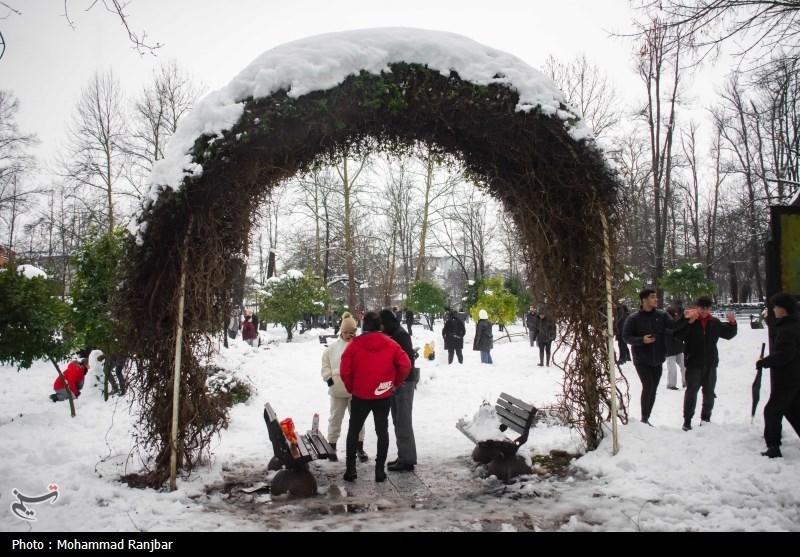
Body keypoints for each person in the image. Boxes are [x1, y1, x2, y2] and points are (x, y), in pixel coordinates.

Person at [340, 311, 411, 482]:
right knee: (382, 432)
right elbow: (405, 364)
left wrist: (352, 388)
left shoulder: (354, 345)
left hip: (360, 395)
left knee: (353, 431)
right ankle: (379, 470)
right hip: (382, 394)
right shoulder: (391, 344)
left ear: (364, 325)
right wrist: (394, 383)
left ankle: (351, 469)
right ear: (379, 325)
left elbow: (345, 370)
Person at [622, 287, 687, 425]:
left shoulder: (662, 315)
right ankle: (644, 418)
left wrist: (685, 317)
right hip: (641, 359)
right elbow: (626, 337)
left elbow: (674, 326)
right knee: (648, 386)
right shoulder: (633, 318)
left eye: (656, 297)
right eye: (653, 297)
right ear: (644, 300)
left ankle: (647, 417)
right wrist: (641, 340)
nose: (656, 299)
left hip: (658, 358)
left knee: (653, 388)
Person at [676, 296, 737, 431]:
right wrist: (687, 323)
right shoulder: (691, 321)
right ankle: (687, 420)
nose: (704, 311)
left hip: (710, 363)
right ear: (697, 307)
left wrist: (732, 323)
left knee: (709, 392)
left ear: (710, 309)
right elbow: (678, 336)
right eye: (702, 308)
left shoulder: (714, 322)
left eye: (707, 309)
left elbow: (727, 334)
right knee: (692, 392)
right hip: (693, 363)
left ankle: (706, 418)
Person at [756, 292, 800, 458]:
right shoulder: (794, 323)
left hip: (786, 378)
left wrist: (765, 362)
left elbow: (785, 354)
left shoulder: (788, 330)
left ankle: (773, 446)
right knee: (793, 410)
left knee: (772, 411)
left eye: (775, 307)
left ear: (783, 309)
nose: (773, 309)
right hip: (796, 376)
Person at [320, 311, 367, 463]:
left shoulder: (360, 346)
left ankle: (359, 447)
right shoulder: (332, 348)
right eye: (346, 332)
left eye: (351, 332)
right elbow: (325, 364)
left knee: (358, 420)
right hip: (337, 390)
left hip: (355, 390)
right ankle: (331, 446)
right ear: (341, 331)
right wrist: (329, 380)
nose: (348, 335)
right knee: (335, 418)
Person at [378, 309, 419, 473]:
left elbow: (406, 362)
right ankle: (404, 455)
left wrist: (399, 381)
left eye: (381, 324)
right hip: (397, 384)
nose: (379, 327)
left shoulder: (400, 335)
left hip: (403, 384)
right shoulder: (394, 333)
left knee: (403, 421)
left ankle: (407, 459)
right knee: (398, 420)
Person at [664, 306, 686, 390]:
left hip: (677, 347)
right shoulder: (666, 323)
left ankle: (685, 381)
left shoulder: (676, 322)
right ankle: (671, 384)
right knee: (673, 368)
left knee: (683, 366)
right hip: (670, 349)